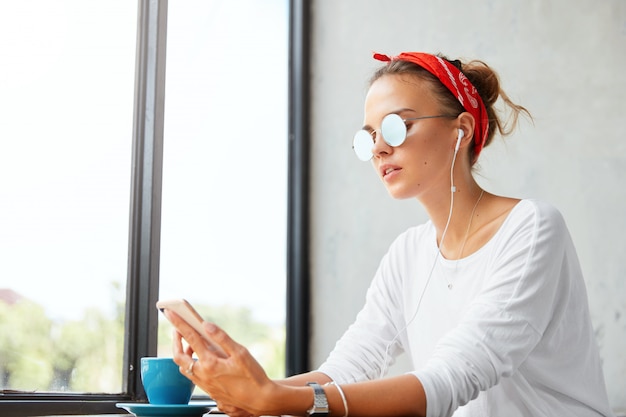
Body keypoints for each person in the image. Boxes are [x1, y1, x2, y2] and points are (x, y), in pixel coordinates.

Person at [164, 51, 614, 417]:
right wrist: (254, 391)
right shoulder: (409, 253)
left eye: (397, 126)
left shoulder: (532, 227)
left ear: (461, 130)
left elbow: (450, 379)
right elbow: (348, 369)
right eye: (369, 136)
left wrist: (278, 399)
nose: (379, 147)